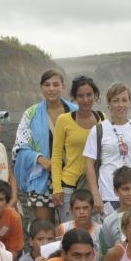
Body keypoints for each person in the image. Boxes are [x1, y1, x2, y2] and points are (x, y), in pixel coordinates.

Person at [13, 69, 76, 223]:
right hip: (41, 178)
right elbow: (20, 146)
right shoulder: (31, 114)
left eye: (56, 84)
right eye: (47, 85)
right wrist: (41, 159)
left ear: (63, 86)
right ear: (41, 88)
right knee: (44, 228)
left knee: (70, 228)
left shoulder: (76, 112)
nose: (51, 89)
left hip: (71, 178)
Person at [83, 82, 131, 216]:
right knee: (111, 232)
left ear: (130, 102)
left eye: (124, 100)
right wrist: (96, 195)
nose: (120, 105)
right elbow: (89, 164)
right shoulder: (99, 129)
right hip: (108, 193)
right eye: (116, 101)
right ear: (109, 103)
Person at [52, 76, 104, 222]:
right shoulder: (64, 120)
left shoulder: (103, 119)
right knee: (70, 232)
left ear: (95, 95)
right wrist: (57, 188)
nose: (85, 99)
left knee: (95, 232)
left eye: (89, 95)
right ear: (75, 98)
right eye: (80, 96)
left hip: (95, 187)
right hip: (70, 185)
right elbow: (56, 156)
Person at [55, 189, 103, 261]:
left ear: (93, 209)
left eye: (85, 208)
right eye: (77, 208)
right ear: (71, 210)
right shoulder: (62, 229)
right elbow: (56, 256)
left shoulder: (101, 230)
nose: (81, 212)